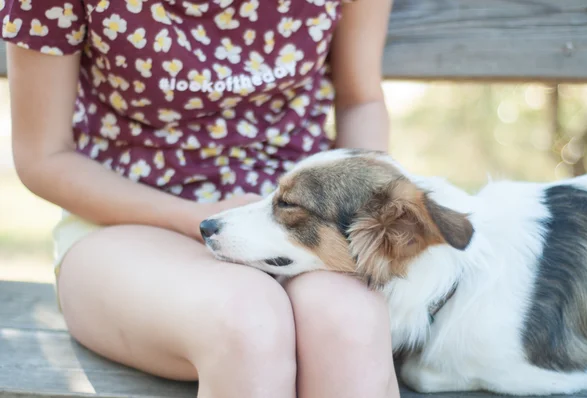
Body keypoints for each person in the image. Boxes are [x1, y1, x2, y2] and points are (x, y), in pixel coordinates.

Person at [2, 0, 398, 396]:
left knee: (350, 323)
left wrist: (363, 213)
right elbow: (44, 157)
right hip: (126, 224)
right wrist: (196, 216)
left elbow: (360, 100)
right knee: (247, 322)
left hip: (299, 222)